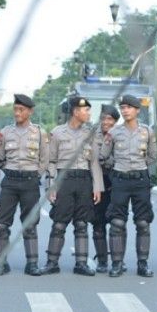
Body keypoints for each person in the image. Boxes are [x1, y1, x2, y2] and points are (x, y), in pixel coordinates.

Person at [41, 96, 103, 276]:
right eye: (86, 110)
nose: (89, 113)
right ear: (76, 112)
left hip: (84, 180)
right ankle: (52, 262)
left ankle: (81, 264)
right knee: (60, 223)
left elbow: (94, 163)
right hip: (63, 180)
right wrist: (50, 186)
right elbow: (51, 161)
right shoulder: (57, 133)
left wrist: (97, 186)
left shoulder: (90, 134)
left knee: (82, 223)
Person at [100, 94, 157, 277]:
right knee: (117, 222)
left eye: (129, 107)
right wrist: (117, 168)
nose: (125, 110)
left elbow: (153, 156)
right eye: (122, 107)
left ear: (137, 110)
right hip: (120, 180)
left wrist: (138, 167)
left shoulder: (147, 131)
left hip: (141, 181)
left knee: (143, 223)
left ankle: (142, 264)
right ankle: (117, 263)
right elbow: (104, 155)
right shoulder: (114, 133)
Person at [0, 94, 48, 276]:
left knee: (30, 224)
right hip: (10, 182)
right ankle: (1, 263)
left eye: (21, 110)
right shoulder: (6, 132)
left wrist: (35, 175)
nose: (17, 113)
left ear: (30, 111)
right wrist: (9, 172)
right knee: (1, 223)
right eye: (15, 109)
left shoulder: (39, 133)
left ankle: (32, 263)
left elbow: (44, 159)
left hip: (30, 181)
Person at [92, 104, 120, 273]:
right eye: (103, 118)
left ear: (115, 121)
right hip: (97, 183)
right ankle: (102, 260)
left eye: (109, 119)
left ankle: (118, 260)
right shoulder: (91, 136)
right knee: (98, 223)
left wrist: (107, 161)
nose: (105, 122)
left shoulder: (121, 135)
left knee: (118, 224)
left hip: (117, 183)